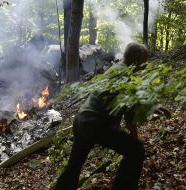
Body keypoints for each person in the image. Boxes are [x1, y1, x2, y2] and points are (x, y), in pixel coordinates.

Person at [55, 42, 170, 190]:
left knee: (74, 165)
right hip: (97, 123)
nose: (144, 65)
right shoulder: (127, 76)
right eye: (143, 62)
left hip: (81, 120)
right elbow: (130, 112)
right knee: (136, 151)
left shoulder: (116, 69)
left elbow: (134, 99)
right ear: (137, 61)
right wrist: (135, 137)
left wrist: (152, 105)